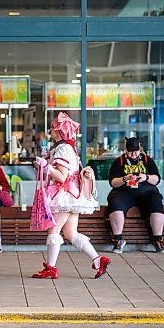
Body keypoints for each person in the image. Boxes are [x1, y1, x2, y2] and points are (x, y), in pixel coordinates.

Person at [32, 112, 110, 280]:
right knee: (70, 233)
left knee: (54, 230)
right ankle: (98, 260)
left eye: (53, 128)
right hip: (72, 194)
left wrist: (45, 166)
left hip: (65, 194)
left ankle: (50, 268)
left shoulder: (63, 148)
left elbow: (62, 177)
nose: (51, 130)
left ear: (60, 131)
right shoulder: (69, 147)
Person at [107, 136, 164, 253]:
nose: (133, 154)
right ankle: (118, 240)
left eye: (135, 151)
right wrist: (125, 178)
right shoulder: (119, 162)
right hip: (124, 191)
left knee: (156, 203)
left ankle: (158, 240)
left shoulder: (147, 160)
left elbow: (157, 179)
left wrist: (145, 177)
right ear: (126, 150)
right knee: (115, 204)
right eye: (130, 152)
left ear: (140, 149)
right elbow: (113, 182)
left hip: (146, 191)